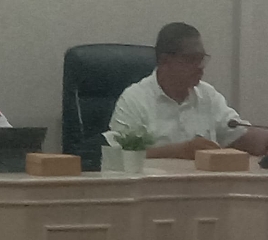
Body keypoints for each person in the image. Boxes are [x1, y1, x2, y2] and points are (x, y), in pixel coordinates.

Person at [110, 22, 268, 159]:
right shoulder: (134, 100)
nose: (200, 67)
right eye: (192, 59)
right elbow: (118, 156)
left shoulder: (208, 95)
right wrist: (178, 151)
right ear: (165, 60)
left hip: (205, 183)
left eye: (202, 59)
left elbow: (239, 135)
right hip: (154, 184)